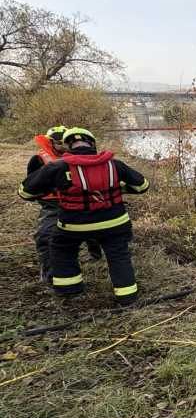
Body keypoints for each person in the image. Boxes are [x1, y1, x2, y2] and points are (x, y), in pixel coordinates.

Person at [18, 127, 150, 305]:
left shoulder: (57, 167)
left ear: (69, 146)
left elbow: (25, 192)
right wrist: (117, 189)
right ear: (92, 144)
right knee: (119, 256)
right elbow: (142, 186)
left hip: (74, 226)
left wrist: (55, 190)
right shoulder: (114, 164)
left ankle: (69, 291)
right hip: (115, 224)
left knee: (62, 249)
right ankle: (128, 297)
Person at [23, 126, 102, 283]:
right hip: (53, 203)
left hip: (78, 200)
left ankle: (96, 255)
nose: (63, 146)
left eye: (65, 142)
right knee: (45, 236)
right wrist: (51, 190)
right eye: (59, 143)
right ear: (51, 142)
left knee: (93, 227)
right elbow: (31, 185)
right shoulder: (39, 160)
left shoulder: (79, 155)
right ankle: (49, 273)